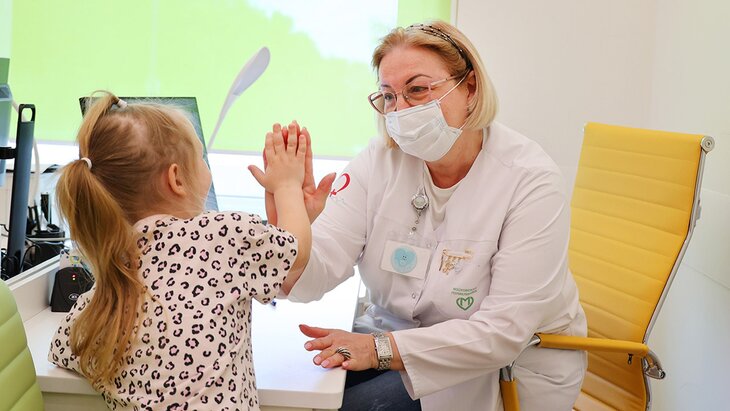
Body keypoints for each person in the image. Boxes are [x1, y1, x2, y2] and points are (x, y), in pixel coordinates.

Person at [267, 21, 587, 410]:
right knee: (283, 391)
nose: (400, 110)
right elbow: (318, 269)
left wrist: (378, 349)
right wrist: (292, 235)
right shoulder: (379, 161)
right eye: (388, 96)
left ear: (470, 87)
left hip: (502, 370)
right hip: (391, 342)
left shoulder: (530, 180)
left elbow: (502, 333)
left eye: (417, 89)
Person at [49, 91, 311, 410]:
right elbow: (296, 251)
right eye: (200, 157)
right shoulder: (225, 235)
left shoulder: (103, 299)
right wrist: (287, 187)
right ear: (176, 179)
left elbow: (62, 348)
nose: (205, 165)